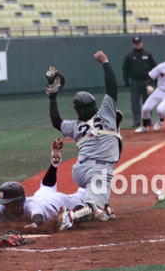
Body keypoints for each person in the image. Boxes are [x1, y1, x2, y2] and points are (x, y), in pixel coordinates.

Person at [47, 50, 122, 231]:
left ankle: (104, 209)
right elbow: (112, 87)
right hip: (97, 169)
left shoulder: (74, 126)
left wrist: (53, 98)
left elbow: (56, 121)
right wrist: (105, 62)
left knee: (100, 190)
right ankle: (70, 217)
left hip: (80, 170)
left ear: (77, 110)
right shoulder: (106, 113)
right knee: (93, 206)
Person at [0, 138, 86, 232]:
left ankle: (90, 175)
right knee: (46, 187)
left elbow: (38, 217)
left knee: (82, 198)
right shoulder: (4, 206)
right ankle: (54, 164)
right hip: (40, 196)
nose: (6, 206)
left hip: (55, 202)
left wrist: (34, 225)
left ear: (18, 202)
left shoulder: (31, 206)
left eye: (9, 203)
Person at [123, 36, 157, 127]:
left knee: (148, 101)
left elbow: (154, 68)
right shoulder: (129, 56)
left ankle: (148, 120)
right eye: (135, 43)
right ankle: (136, 121)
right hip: (135, 81)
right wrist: (126, 80)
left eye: (139, 43)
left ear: (141, 43)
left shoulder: (148, 54)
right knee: (135, 102)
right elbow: (125, 69)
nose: (137, 45)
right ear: (133, 44)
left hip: (146, 81)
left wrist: (153, 81)